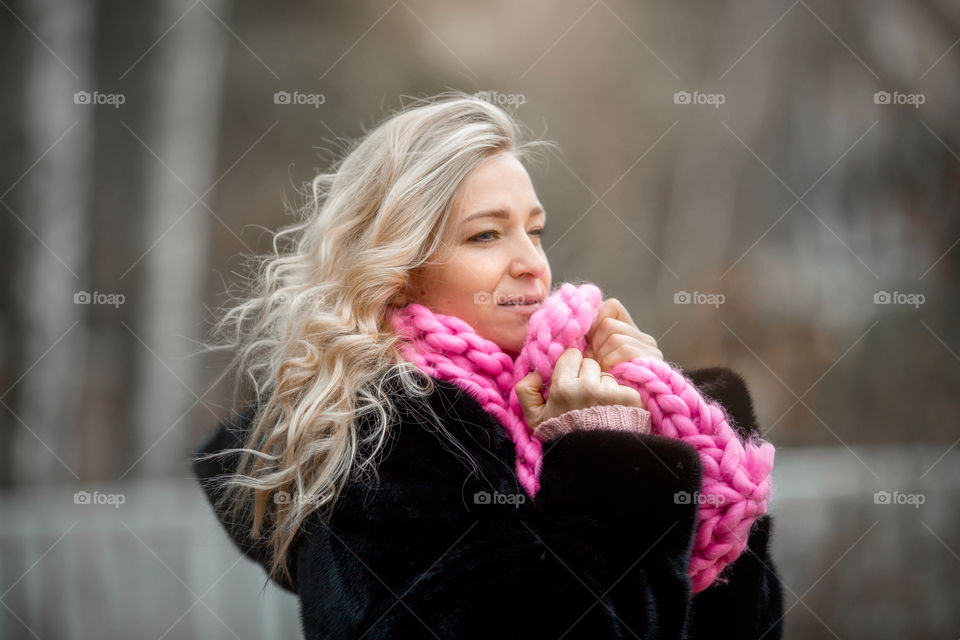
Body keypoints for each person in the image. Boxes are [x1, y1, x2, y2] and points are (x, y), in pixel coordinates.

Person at [192, 91, 784, 639]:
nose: (533, 264)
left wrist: (661, 425)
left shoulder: (558, 402)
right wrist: (606, 460)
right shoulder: (383, 444)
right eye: (485, 236)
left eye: (535, 230)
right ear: (399, 270)